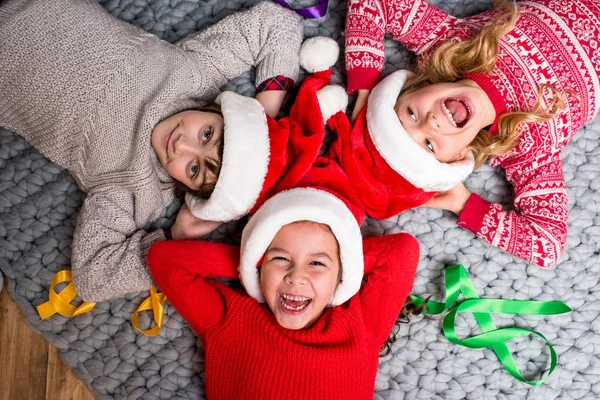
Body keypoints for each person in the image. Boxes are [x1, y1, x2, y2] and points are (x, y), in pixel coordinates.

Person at [0, 0, 303, 302]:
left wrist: (175, 238)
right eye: (207, 133)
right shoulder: (197, 76)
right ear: (222, 112)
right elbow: (276, 22)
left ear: (186, 190)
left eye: (193, 169)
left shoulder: (135, 188)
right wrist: (262, 120)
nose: (182, 144)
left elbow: (94, 278)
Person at [344, 0, 600, 266]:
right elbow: (547, 245)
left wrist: (366, 92)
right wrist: (463, 204)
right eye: (429, 145)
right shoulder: (528, 148)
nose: (431, 123)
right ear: (458, 157)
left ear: (415, 85)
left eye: (411, 113)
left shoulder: (448, 43)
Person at [147, 186, 421, 399]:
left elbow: (402, 253)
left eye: (317, 263)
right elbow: (164, 260)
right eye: (280, 259)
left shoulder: (360, 328)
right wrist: (250, 261)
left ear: (342, 273)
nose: (296, 277)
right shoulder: (230, 321)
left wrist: (344, 264)